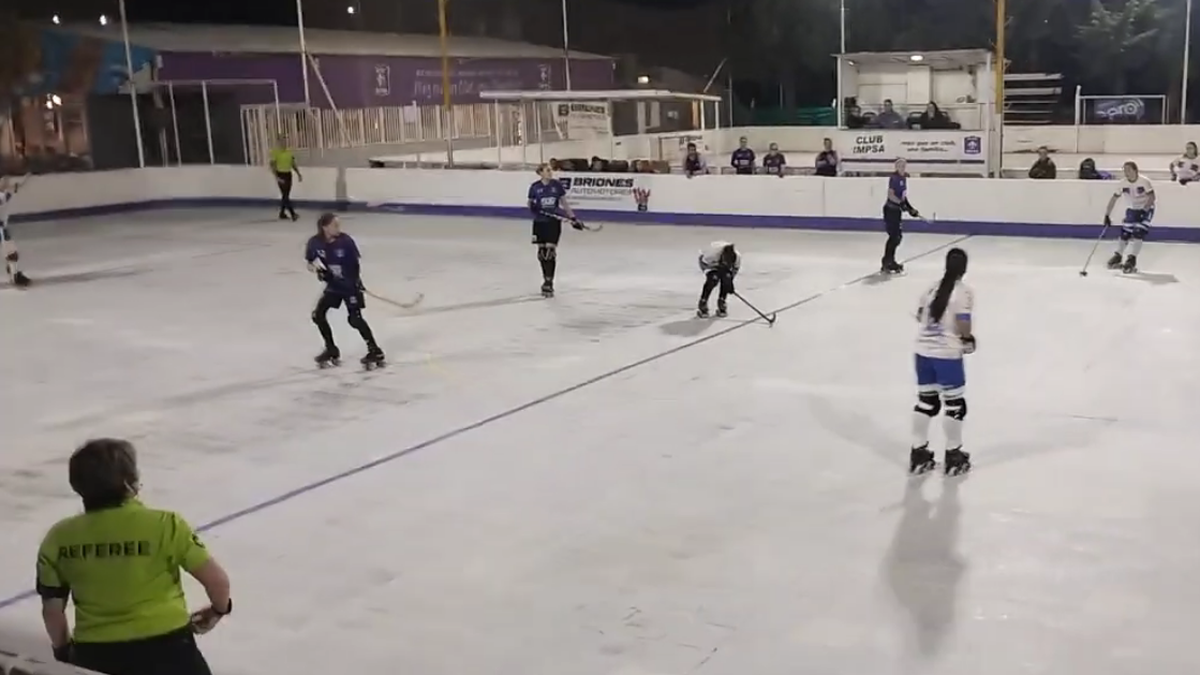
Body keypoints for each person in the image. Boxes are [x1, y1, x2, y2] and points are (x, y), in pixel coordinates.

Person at [36, 438, 232, 675]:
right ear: (129, 483)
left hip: (96, 654)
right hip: (168, 651)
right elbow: (217, 582)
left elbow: (52, 611)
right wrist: (218, 610)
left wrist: (64, 652)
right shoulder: (166, 525)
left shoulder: (58, 538)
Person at [910, 248, 974, 476]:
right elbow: (963, 320)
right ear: (964, 269)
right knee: (955, 406)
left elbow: (920, 315)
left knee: (926, 402)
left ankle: (918, 452)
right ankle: (953, 454)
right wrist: (967, 339)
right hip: (947, 354)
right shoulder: (963, 292)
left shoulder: (931, 288)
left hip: (922, 353)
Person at [305, 213, 385, 368]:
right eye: (335, 225)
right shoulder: (314, 243)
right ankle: (331, 349)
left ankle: (375, 350)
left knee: (354, 319)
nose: (338, 228)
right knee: (318, 315)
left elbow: (355, 265)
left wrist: (354, 283)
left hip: (349, 286)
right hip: (334, 286)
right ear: (325, 227)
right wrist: (318, 270)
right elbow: (310, 262)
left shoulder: (345, 242)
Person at [527, 163, 581, 298]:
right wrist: (532, 207)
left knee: (550, 252)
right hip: (539, 222)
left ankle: (549, 281)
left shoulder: (556, 185)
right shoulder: (535, 187)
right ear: (540, 172)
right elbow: (530, 203)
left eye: (551, 170)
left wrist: (573, 217)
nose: (550, 172)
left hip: (553, 222)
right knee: (541, 252)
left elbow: (564, 203)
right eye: (547, 170)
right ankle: (545, 277)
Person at [1103, 161, 1155, 273]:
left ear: (1135, 170)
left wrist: (1144, 210)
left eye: (1129, 170)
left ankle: (1132, 258)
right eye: (1125, 170)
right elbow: (1114, 199)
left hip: (1146, 208)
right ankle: (1118, 255)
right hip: (1132, 209)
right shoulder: (1122, 183)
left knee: (1138, 232)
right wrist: (1107, 214)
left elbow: (1152, 197)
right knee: (1125, 233)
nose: (1126, 173)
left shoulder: (1144, 181)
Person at [881, 158, 921, 275]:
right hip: (890, 210)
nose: (902, 168)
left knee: (897, 237)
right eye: (900, 166)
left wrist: (910, 208)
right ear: (896, 167)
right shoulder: (894, 178)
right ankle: (887, 262)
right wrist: (901, 204)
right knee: (894, 236)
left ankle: (889, 260)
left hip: (896, 211)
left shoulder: (903, 178)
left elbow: (903, 197)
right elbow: (891, 195)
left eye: (904, 165)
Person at [0, 174, 31, 287]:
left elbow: (17, 187)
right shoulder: (2, 196)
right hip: (0, 229)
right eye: (3, 182)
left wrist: (26, 178)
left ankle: (14, 273)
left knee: (11, 253)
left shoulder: (5, 194)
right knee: (11, 253)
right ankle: (15, 276)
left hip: (2, 228)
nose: (6, 183)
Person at [696, 241, 740, 318]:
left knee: (726, 278)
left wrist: (729, 283)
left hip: (719, 264)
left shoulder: (737, 258)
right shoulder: (711, 255)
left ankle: (722, 300)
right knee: (713, 279)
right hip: (709, 263)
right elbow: (704, 264)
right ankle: (703, 301)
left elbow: (734, 270)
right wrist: (713, 273)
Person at [270, 135, 302, 221]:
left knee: (286, 194)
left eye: (285, 141)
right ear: (278, 142)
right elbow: (272, 166)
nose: (284, 143)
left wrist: (298, 173)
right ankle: (293, 213)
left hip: (288, 174)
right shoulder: (275, 152)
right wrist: (277, 177)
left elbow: (293, 163)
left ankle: (282, 213)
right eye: (282, 141)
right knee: (285, 195)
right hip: (280, 174)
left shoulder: (289, 152)